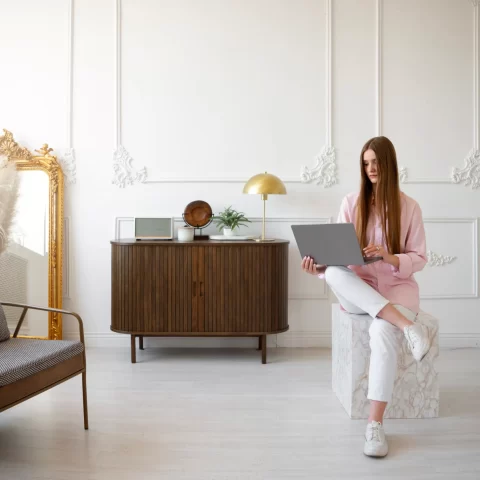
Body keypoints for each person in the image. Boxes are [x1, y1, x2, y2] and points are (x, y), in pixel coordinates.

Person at [301, 136, 431, 458]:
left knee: (383, 330)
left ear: (389, 164)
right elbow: (335, 256)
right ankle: (408, 326)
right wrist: (318, 265)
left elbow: (420, 257)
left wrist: (389, 257)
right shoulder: (351, 203)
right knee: (332, 273)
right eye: (366, 163)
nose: (371, 169)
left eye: (376, 162)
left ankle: (375, 425)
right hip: (358, 291)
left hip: (397, 289)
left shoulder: (410, 207)